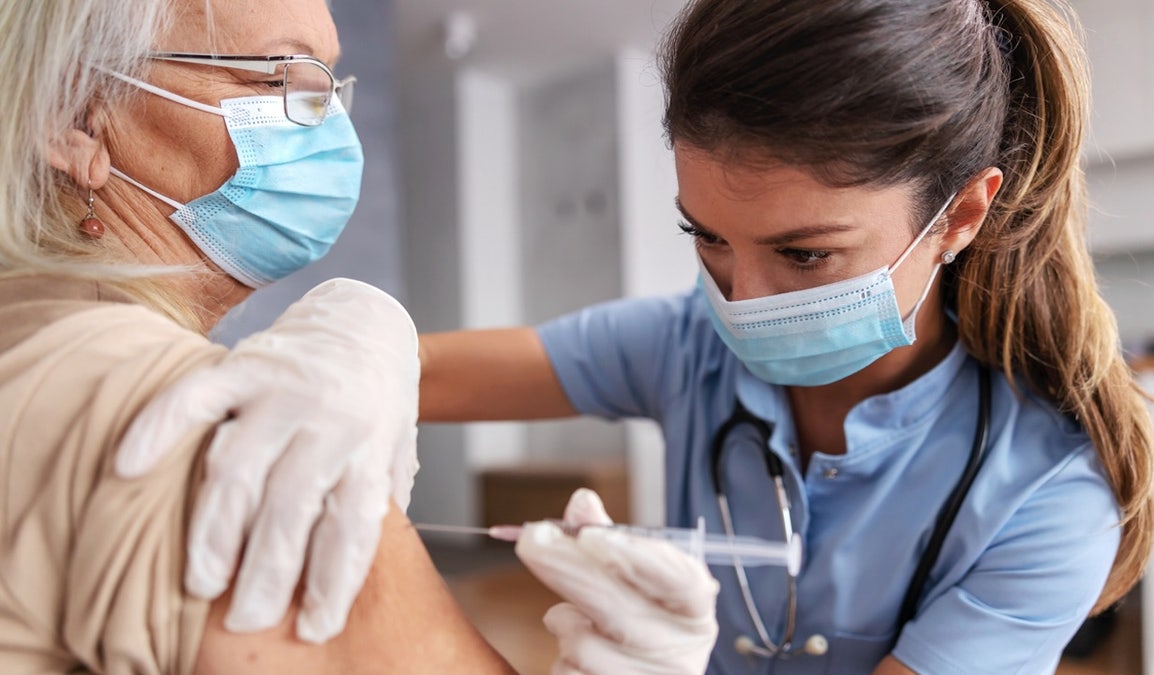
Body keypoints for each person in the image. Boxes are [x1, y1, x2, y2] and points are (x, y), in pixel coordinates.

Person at [124, 0, 1154, 673]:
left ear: (962, 216)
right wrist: (350, 339)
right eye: (705, 238)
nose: (742, 302)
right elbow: (417, 370)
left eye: (804, 257)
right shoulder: (687, 344)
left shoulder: (1045, 498)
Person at [0, 0, 722, 672]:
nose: (331, 126)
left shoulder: (32, 335)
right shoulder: (186, 424)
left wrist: (377, 332)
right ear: (78, 118)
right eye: (283, 73)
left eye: (327, 82)